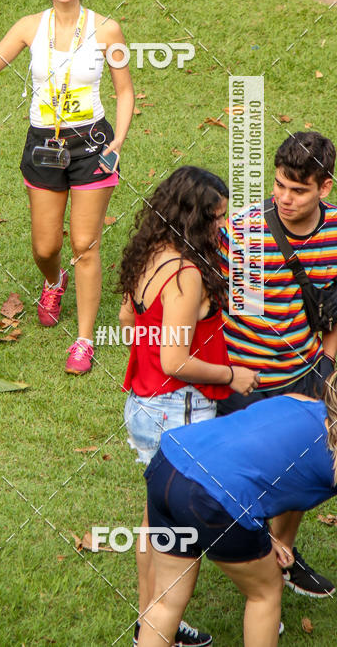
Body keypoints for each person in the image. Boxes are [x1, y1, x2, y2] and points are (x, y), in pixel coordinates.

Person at [0, 0, 134, 373]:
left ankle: (84, 340)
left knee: (84, 245)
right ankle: (54, 281)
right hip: (43, 144)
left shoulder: (107, 29)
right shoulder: (29, 27)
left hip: (92, 145)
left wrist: (116, 144)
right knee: (45, 246)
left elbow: (125, 92)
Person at [119, 166, 259, 647]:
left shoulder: (148, 253)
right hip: (177, 411)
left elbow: (126, 319)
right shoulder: (185, 274)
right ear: (196, 217)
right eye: (217, 219)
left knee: (153, 518)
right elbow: (176, 360)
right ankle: (162, 630)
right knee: (183, 536)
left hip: (143, 403)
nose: (222, 227)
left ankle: (150, 619)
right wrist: (230, 374)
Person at [218, 131, 337, 597]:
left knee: (304, 471)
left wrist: (326, 368)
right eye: (279, 185)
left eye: (299, 189)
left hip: (307, 373)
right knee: (250, 480)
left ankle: (281, 556)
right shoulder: (246, 233)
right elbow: (214, 305)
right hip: (245, 380)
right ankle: (259, 567)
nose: (285, 198)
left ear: (324, 188)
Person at [137, 373, 337, 647]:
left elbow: (258, 463)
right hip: (214, 500)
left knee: (164, 602)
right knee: (265, 593)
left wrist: (264, 535)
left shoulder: (298, 400)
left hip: (170, 464)